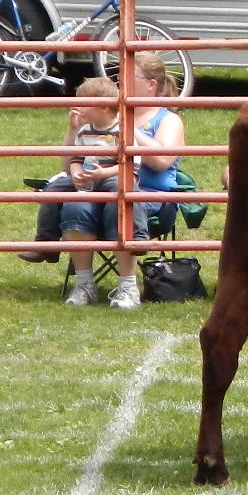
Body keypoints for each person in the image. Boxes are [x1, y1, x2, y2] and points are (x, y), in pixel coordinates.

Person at [61, 52, 186, 309]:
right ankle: (84, 285)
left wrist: (127, 128)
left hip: (148, 197)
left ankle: (128, 287)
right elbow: (68, 164)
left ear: (151, 85)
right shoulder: (101, 120)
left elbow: (162, 161)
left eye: (128, 77)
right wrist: (77, 131)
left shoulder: (168, 120)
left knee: (121, 202)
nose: (119, 83)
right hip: (98, 189)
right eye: (119, 76)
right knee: (74, 204)